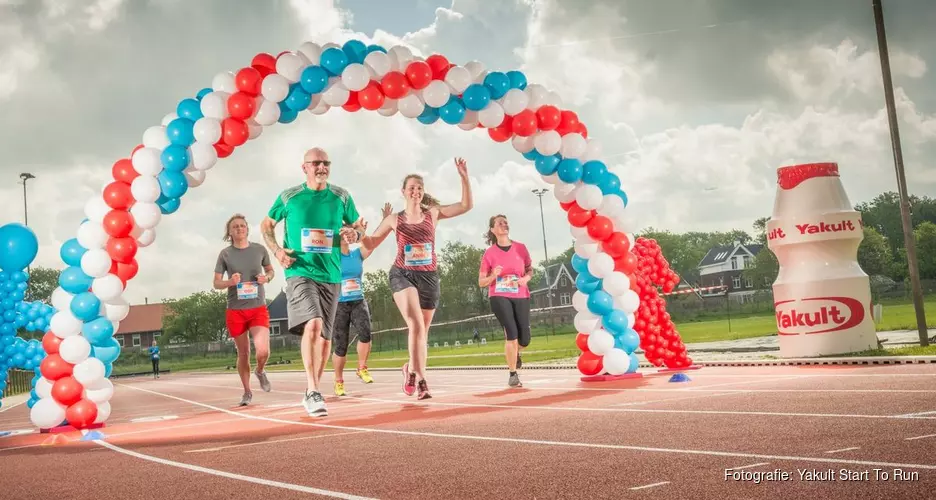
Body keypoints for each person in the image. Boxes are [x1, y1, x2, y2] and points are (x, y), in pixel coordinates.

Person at [261, 147, 366, 417]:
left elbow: (359, 227)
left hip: (331, 274)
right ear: (304, 167)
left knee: (325, 339)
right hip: (299, 271)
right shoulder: (289, 196)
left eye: (325, 163)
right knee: (314, 323)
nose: (321, 167)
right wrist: (277, 251)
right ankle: (312, 389)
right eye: (316, 163)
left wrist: (354, 233)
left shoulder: (341, 196)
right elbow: (266, 224)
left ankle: (313, 390)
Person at [362, 158, 473, 400]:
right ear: (403, 192)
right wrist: (361, 234)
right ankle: (422, 380)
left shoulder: (433, 214)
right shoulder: (394, 220)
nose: (416, 191)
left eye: (420, 188)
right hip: (402, 275)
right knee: (416, 325)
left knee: (423, 332)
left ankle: (410, 369)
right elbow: (370, 243)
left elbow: (465, 206)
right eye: (412, 187)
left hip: (429, 277)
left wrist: (464, 176)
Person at [214, 214, 275, 406]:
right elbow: (216, 283)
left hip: (257, 307)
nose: (240, 229)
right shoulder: (225, 254)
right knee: (243, 353)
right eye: (235, 227)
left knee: (263, 350)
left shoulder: (259, 249)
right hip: (235, 310)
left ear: (247, 229)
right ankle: (247, 391)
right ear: (230, 232)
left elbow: (271, 271)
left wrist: (267, 278)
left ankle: (260, 370)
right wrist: (230, 282)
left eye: (242, 226)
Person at [331, 202, 392, 396]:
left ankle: (362, 367)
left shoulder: (357, 254)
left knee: (366, 333)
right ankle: (338, 381)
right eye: (343, 231)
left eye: (349, 231)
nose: (346, 235)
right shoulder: (331, 257)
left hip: (358, 300)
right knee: (340, 345)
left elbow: (373, 242)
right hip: (339, 304)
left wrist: (385, 222)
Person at [478, 214, 533, 388]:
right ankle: (512, 375)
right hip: (499, 295)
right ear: (493, 230)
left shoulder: (521, 248)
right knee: (511, 333)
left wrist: (526, 279)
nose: (504, 225)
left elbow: (530, 270)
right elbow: (481, 282)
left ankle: (515, 353)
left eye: (506, 222)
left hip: (521, 294)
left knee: (524, 339)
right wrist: (493, 275)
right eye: (500, 223)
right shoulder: (489, 253)